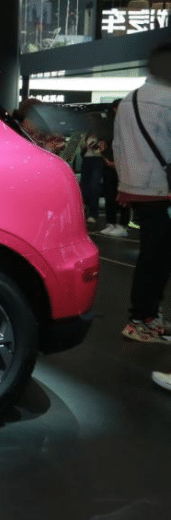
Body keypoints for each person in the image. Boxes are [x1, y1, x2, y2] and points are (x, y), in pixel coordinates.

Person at [113, 42, 171, 344]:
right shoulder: (168, 100)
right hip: (163, 189)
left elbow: (118, 146)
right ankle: (141, 319)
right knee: (157, 258)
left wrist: (124, 184)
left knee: (153, 254)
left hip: (138, 188)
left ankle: (149, 316)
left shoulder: (129, 99)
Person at [98, 99, 129, 237]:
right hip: (109, 163)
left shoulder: (128, 125)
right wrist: (106, 159)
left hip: (123, 165)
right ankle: (111, 222)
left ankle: (122, 225)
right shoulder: (109, 125)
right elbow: (102, 145)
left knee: (122, 196)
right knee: (109, 195)